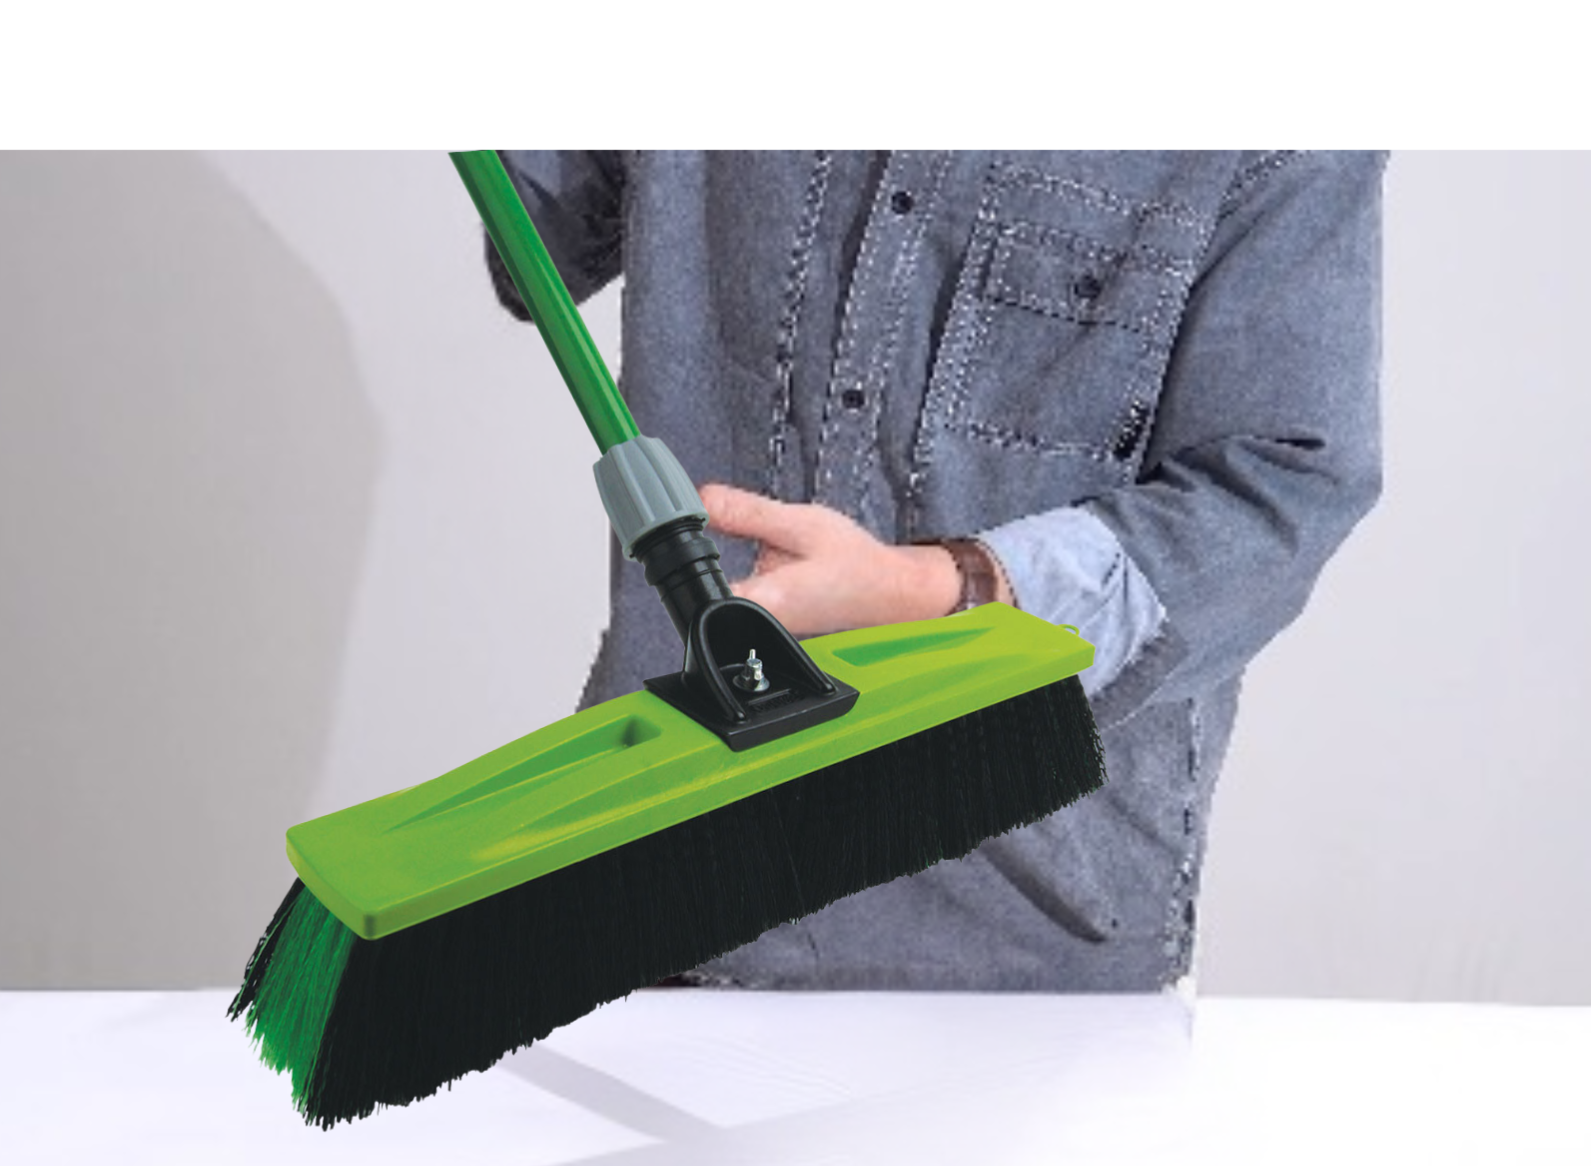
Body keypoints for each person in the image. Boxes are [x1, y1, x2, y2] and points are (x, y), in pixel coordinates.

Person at [484, 151, 1385, 993]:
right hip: (662, 869)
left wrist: (938, 589)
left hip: (1012, 949)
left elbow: (1279, 487)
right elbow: (532, 248)